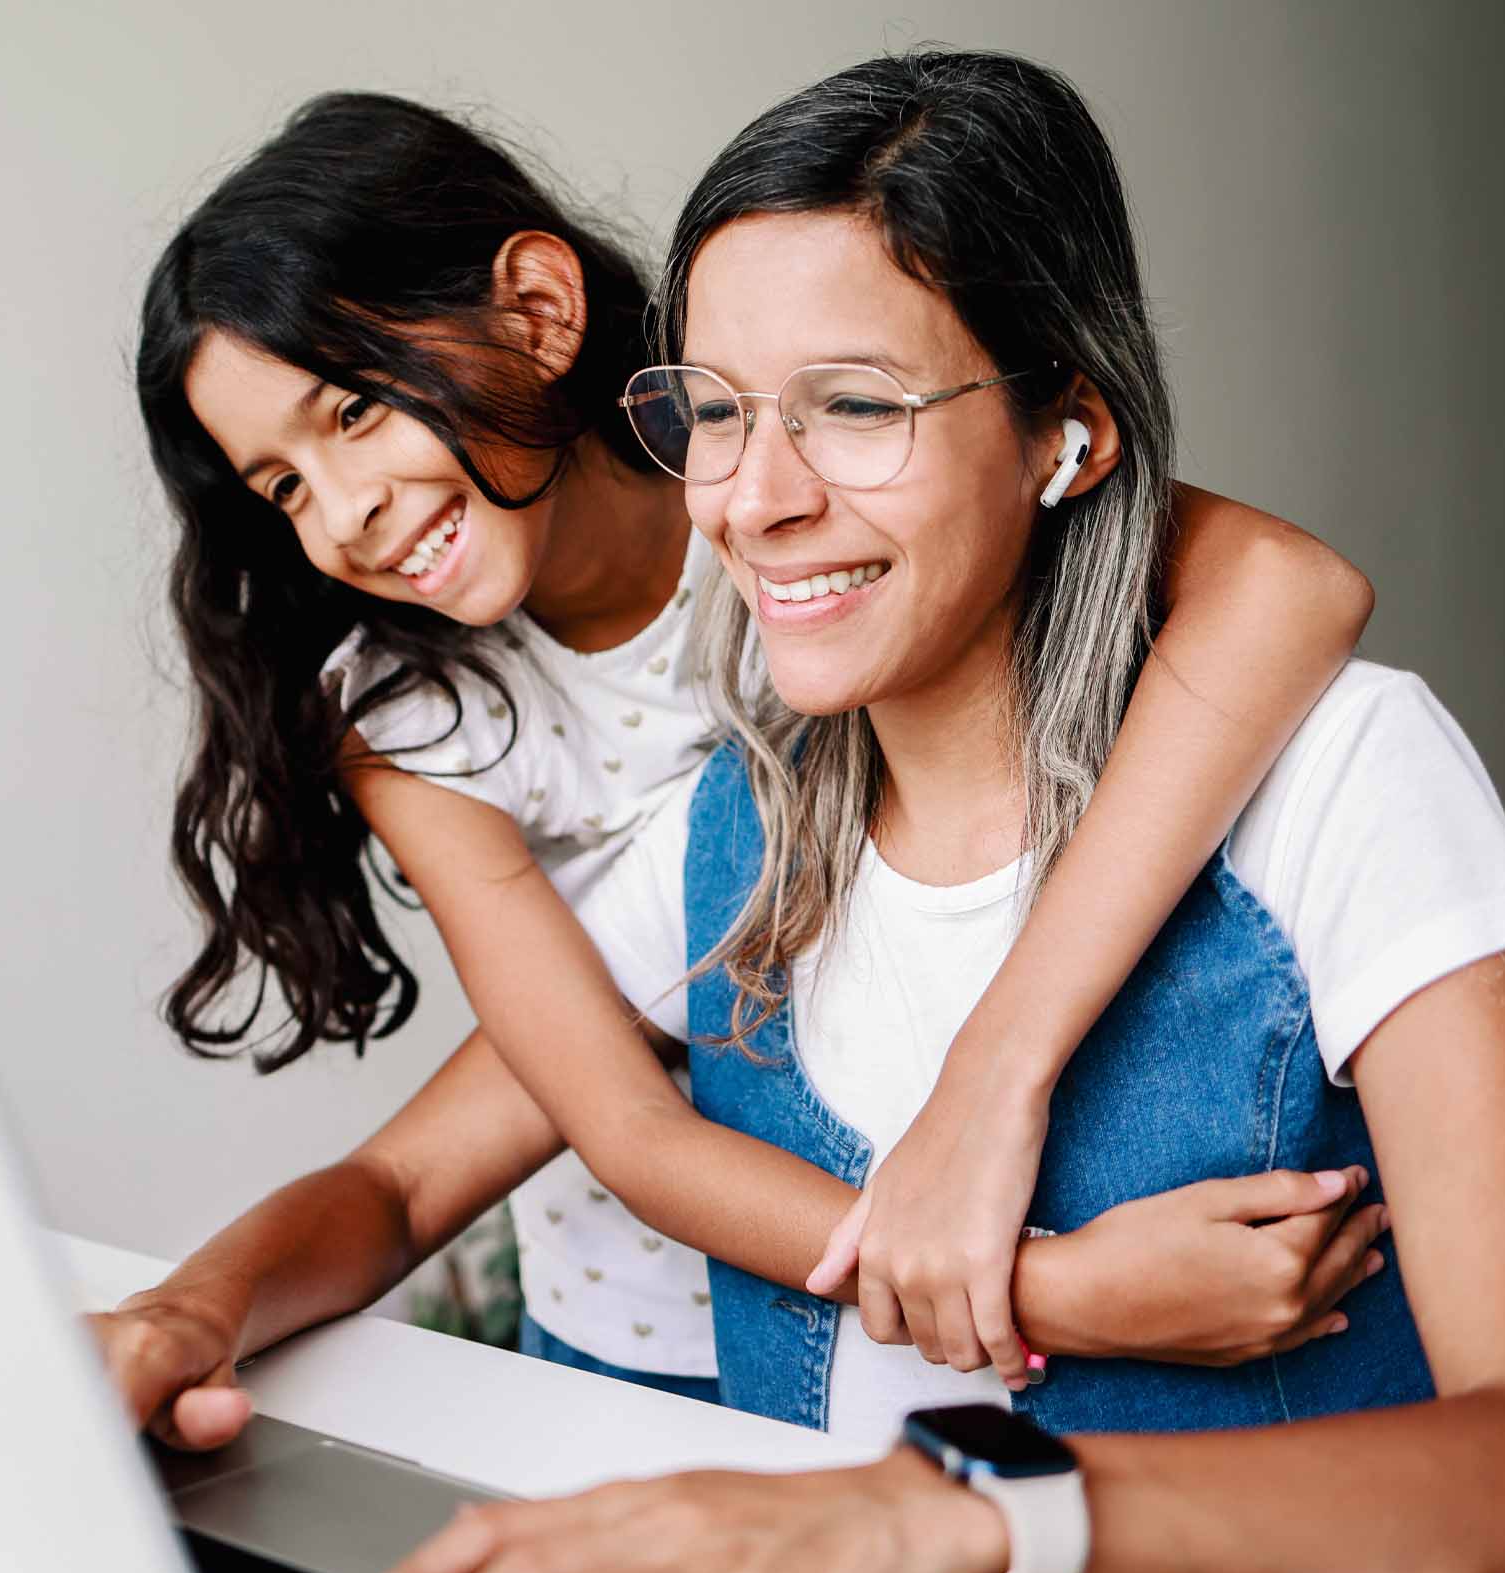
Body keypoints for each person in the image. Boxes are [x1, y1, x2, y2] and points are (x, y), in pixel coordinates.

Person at [368, 48, 1505, 1573]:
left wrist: (961, 1513)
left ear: (1065, 436)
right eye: (715, 412)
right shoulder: (730, 841)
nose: (751, 500)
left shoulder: (1351, 771)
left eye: (854, 407)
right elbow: (413, 1176)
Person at [116, 88, 1378, 1424]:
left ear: (538, 312)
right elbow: (612, 1131)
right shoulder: (411, 721)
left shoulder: (787, 502)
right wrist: (1032, 1285)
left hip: (955, 1255)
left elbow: (1288, 588)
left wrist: (990, 1091)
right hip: (653, 1325)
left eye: (356, 413)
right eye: (284, 487)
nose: (347, 512)